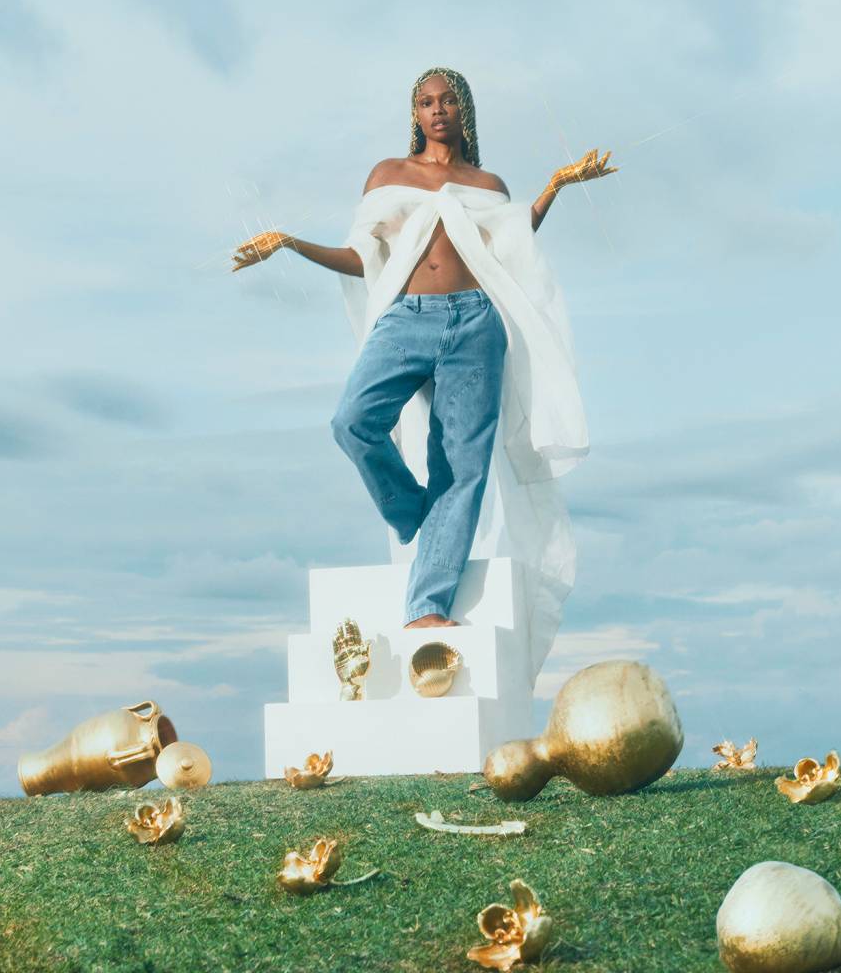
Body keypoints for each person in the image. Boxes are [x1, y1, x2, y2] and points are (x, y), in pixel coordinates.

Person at [233, 67, 616, 660]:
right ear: (414, 114)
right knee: (352, 422)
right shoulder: (389, 176)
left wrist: (557, 185)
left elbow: (513, 243)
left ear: (464, 110)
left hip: (477, 325)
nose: (436, 110)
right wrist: (288, 242)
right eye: (424, 102)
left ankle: (428, 608)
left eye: (447, 100)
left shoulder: (485, 182)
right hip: (406, 318)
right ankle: (411, 510)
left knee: (462, 470)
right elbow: (363, 257)